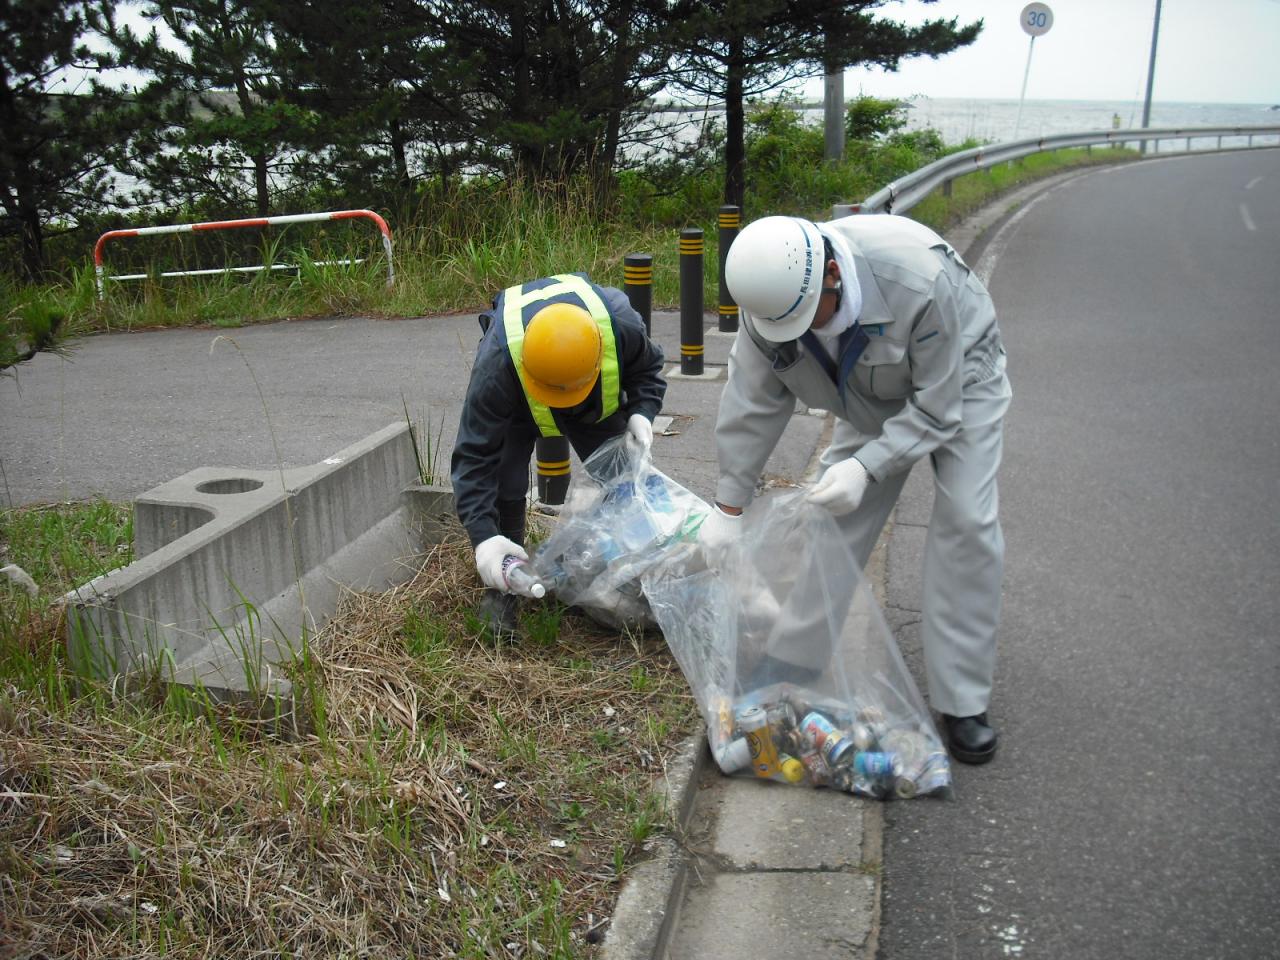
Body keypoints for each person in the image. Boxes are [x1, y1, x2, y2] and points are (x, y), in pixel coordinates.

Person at [698, 214, 1012, 764]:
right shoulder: (768, 301)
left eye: (802, 318)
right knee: (833, 513)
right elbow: (752, 402)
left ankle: (962, 700)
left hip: (961, 378)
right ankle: (796, 657)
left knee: (967, 521)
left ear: (834, 276)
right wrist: (728, 506)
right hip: (866, 384)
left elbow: (939, 410)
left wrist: (867, 467)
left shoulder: (918, 282)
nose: (792, 334)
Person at [450, 272, 667, 638]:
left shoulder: (621, 325)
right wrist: (483, 538)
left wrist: (642, 413)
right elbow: (474, 456)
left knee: (625, 480)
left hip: (594, 399)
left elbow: (648, 369)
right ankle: (503, 584)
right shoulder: (497, 366)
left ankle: (642, 575)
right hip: (520, 402)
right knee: (506, 482)